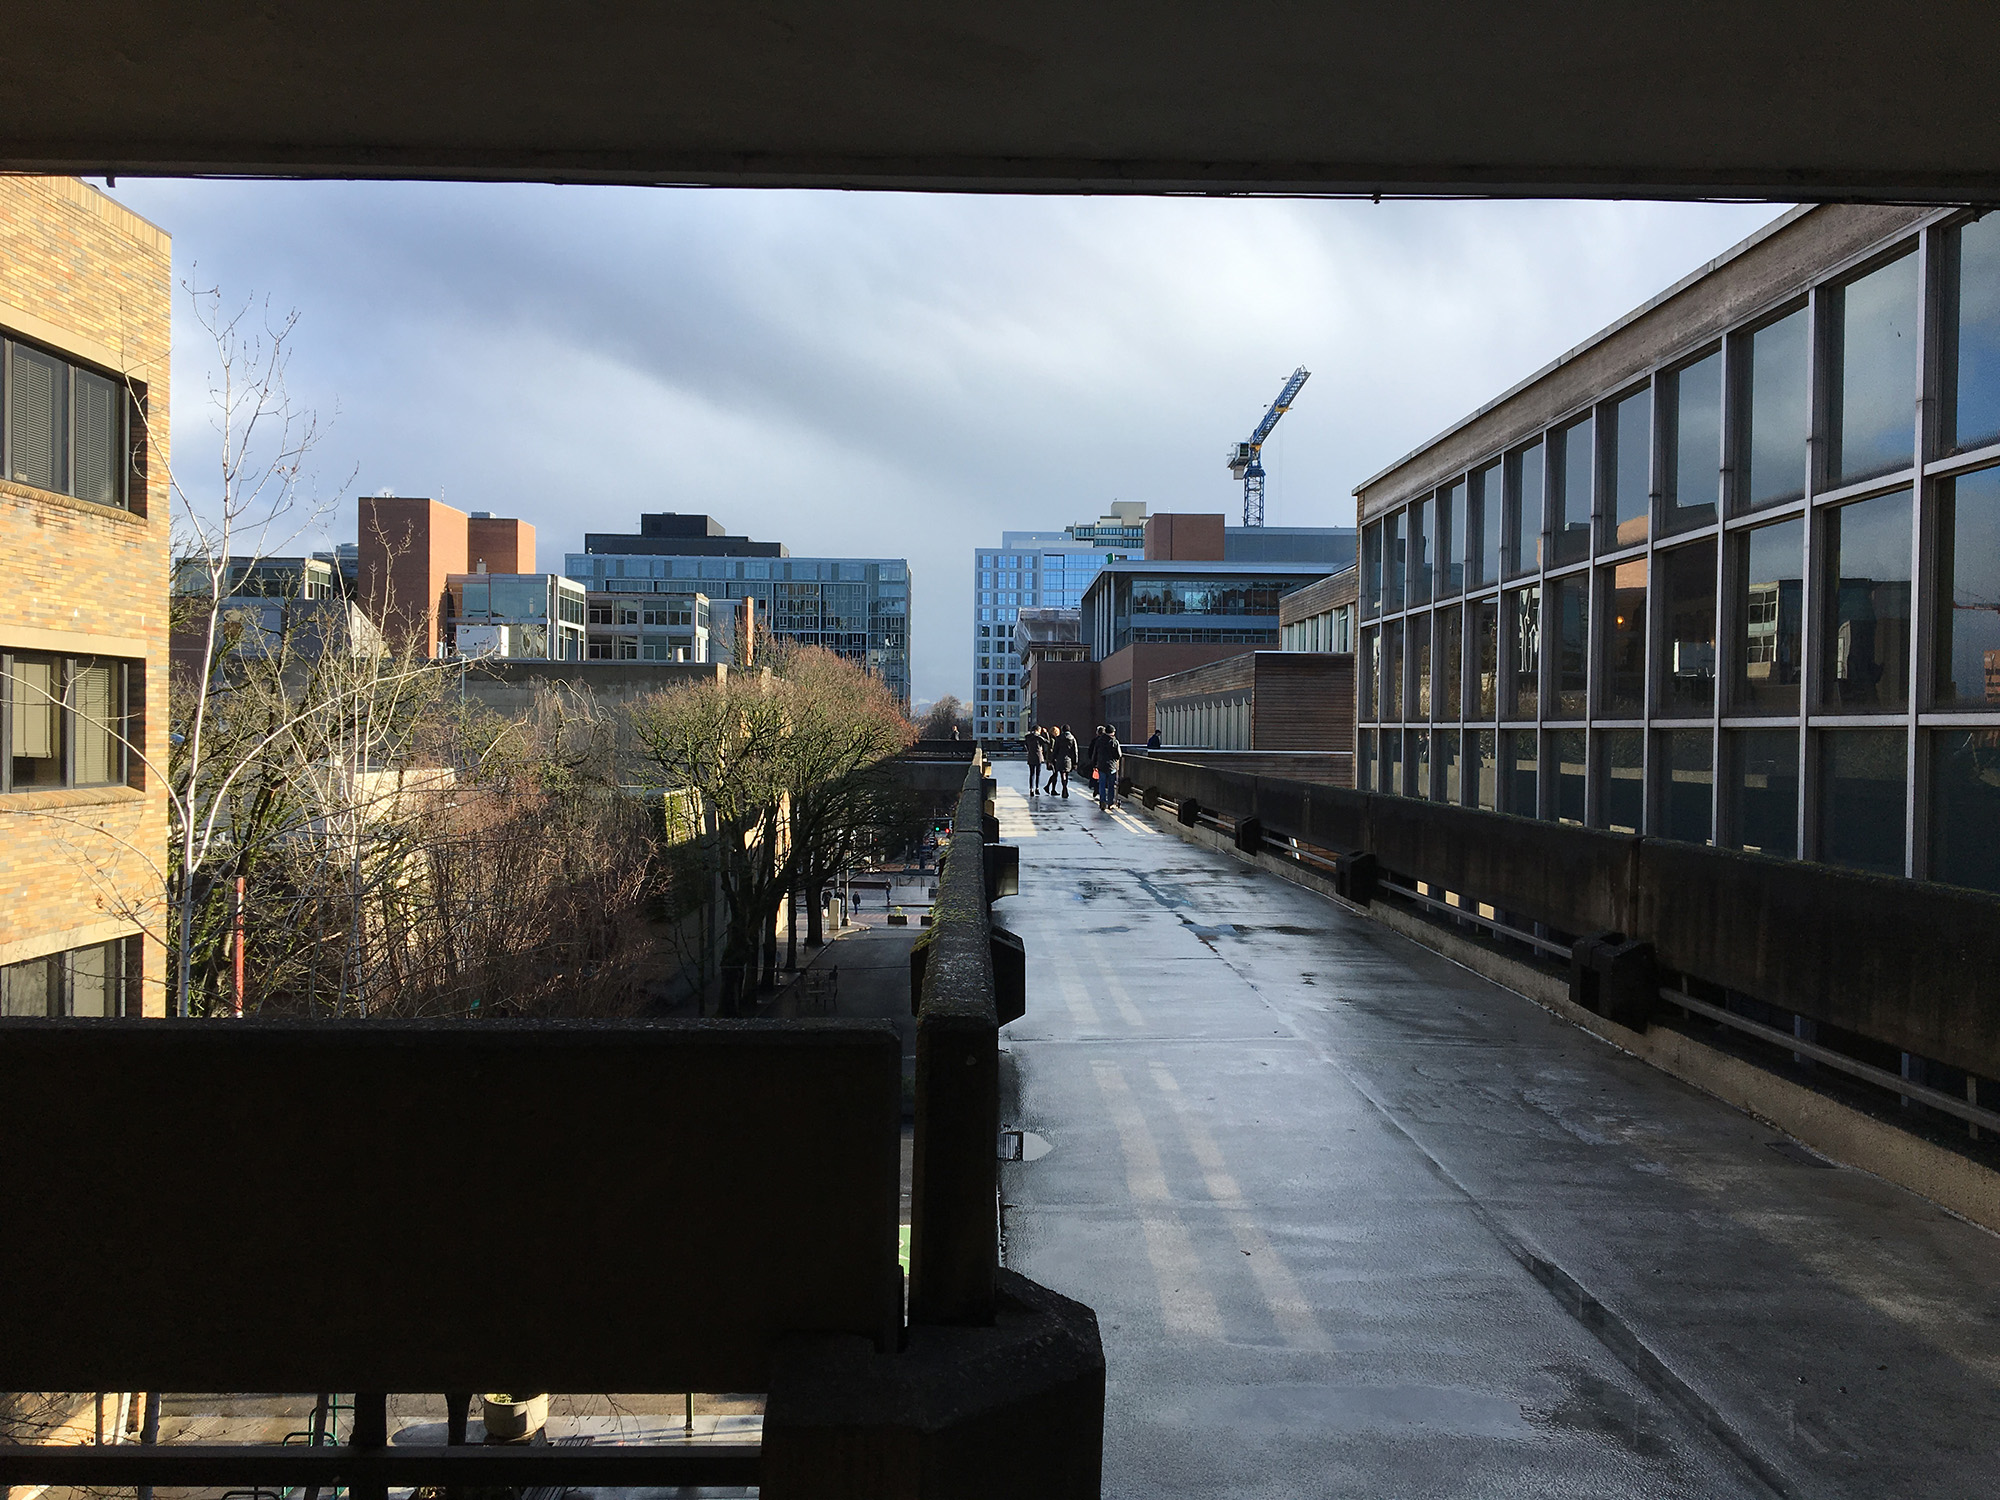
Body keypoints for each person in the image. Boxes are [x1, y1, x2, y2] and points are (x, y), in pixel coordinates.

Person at [1095, 723, 1122, 809]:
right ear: (1113, 732)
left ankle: (1102, 801)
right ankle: (1110, 802)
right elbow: (1118, 755)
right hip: (1111, 766)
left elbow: (1095, 753)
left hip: (1101, 765)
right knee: (1111, 785)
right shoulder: (1115, 741)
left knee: (1102, 784)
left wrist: (1094, 763)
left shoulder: (1099, 740)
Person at [1054, 724, 1078, 797]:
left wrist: (1053, 758)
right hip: (1068, 759)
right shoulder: (1072, 738)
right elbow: (1075, 751)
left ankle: (1064, 787)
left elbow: (1056, 750)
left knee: (1062, 774)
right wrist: (1075, 762)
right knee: (1066, 774)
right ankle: (1065, 787)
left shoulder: (1059, 738)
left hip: (1060, 758)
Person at [1024, 723, 1044, 794]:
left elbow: (1026, 745)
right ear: (1038, 730)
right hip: (1038, 757)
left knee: (1031, 773)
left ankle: (1031, 789)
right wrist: (1046, 733)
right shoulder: (1038, 737)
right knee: (1038, 773)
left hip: (1031, 756)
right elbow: (1047, 742)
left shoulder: (1027, 737)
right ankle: (1037, 788)